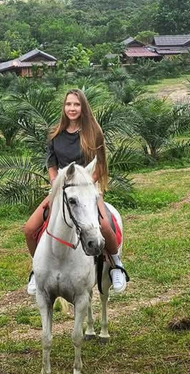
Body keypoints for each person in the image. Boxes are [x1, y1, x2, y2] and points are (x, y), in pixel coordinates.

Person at [23, 89, 128, 295]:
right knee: (30, 228)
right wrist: (55, 181)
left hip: (88, 187)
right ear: (64, 107)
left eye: (76, 105)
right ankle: (37, 270)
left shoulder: (94, 133)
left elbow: (100, 166)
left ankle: (116, 264)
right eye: (69, 104)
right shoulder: (56, 134)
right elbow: (51, 162)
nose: (72, 108)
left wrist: (86, 184)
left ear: (83, 107)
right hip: (62, 188)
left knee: (105, 225)